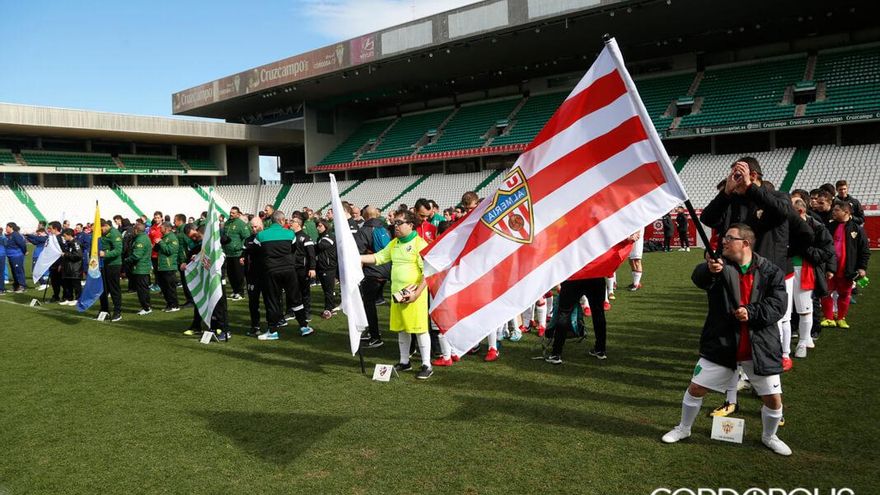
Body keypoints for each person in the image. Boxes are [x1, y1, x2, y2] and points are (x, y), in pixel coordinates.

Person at [661, 224, 791, 456]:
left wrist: (751, 312)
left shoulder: (770, 270)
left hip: (760, 346)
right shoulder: (719, 265)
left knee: (773, 399)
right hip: (722, 342)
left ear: (745, 243)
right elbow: (699, 277)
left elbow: (778, 306)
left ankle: (770, 436)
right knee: (696, 388)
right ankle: (684, 428)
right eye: (724, 238)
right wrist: (710, 270)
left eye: (730, 238)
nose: (724, 241)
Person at [361, 209, 433, 380]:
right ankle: (404, 361)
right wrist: (357, 257)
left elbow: (428, 273)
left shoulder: (420, 244)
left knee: (420, 329)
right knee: (402, 328)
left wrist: (416, 294)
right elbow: (379, 257)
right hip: (398, 294)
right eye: (395, 223)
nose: (396, 226)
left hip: (414, 296)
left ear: (410, 225)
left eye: (400, 223)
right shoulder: (394, 243)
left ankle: (426, 365)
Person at [255, 210, 312, 340]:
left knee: (273, 300)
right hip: (289, 270)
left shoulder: (261, 235)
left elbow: (258, 252)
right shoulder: (290, 234)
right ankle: (304, 327)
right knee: (296, 299)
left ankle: (272, 331)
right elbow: (293, 249)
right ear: (281, 220)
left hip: (271, 271)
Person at [790, 198, 835, 358]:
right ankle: (801, 340)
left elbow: (827, 252)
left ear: (800, 211)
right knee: (786, 311)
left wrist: (804, 250)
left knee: (804, 308)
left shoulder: (818, 227)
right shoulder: (785, 225)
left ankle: (803, 342)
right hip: (785, 271)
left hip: (805, 272)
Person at [820, 201, 870, 329]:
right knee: (826, 292)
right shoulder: (828, 227)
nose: (833, 212)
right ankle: (828, 318)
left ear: (846, 212)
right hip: (829, 268)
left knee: (844, 294)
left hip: (847, 269)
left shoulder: (857, 229)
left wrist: (862, 267)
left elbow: (864, 250)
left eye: (837, 210)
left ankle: (841, 318)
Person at [182, 224, 231, 341]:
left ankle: (225, 330)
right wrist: (194, 258)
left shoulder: (215, 243)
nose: (197, 238)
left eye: (199, 236)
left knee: (219, 304)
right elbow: (199, 253)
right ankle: (210, 327)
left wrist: (216, 236)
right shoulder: (203, 245)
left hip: (217, 278)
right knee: (205, 301)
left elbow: (227, 240)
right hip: (207, 277)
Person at [355, 206, 392, 348]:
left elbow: (358, 253)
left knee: (368, 304)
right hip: (386, 269)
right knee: (372, 303)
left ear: (364, 215)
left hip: (372, 270)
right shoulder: (385, 229)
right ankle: (373, 332)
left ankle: (375, 336)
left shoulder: (364, 230)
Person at [242, 217, 265, 336]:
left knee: (270, 300)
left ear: (261, 225)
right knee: (253, 301)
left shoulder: (266, 237)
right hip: (252, 275)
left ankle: (274, 325)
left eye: (256, 226)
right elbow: (244, 253)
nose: (254, 229)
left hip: (266, 274)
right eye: (252, 227)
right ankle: (255, 326)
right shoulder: (248, 240)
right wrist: (242, 258)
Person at [222, 206, 250, 300]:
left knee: (238, 274)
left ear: (238, 214)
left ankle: (241, 292)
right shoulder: (227, 223)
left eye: (233, 213)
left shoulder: (241, 224)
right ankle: (235, 291)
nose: (231, 214)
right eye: (230, 212)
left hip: (238, 253)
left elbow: (247, 237)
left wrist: (239, 247)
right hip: (228, 253)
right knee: (230, 274)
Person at [98, 220, 124, 321]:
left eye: (100, 228)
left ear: (105, 226)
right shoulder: (103, 234)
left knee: (114, 289)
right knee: (103, 289)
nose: (100, 231)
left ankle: (117, 311)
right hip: (103, 265)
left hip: (113, 265)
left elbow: (118, 250)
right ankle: (104, 310)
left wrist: (105, 254)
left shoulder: (114, 233)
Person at [125, 222, 153, 315]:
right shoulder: (144, 237)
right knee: (143, 288)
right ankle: (146, 306)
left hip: (141, 268)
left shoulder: (140, 239)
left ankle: (146, 307)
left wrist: (127, 260)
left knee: (142, 289)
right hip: (143, 267)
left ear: (136, 230)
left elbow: (137, 255)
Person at [315, 220, 339, 319]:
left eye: (320, 226)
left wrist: (312, 245)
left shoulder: (329, 236)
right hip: (323, 266)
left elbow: (321, 246)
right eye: (317, 226)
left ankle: (328, 309)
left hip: (328, 267)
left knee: (328, 289)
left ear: (325, 226)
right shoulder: (321, 237)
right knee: (327, 289)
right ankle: (331, 307)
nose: (318, 228)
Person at [155, 222, 180, 312]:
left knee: (170, 288)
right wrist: (157, 244)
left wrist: (161, 242)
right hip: (162, 266)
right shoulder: (163, 237)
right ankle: (169, 304)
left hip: (169, 267)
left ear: (167, 228)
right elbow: (157, 250)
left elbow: (169, 251)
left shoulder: (173, 238)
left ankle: (175, 305)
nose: (160, 229)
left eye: (161, 227)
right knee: (164, 287)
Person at [174, 214, 194, 307]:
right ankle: (189, 299)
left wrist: (187, 258)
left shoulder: (184, 231)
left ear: (180, 221)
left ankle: (191, 300)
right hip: (181, 259)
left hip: (185, 260)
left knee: (187, 281)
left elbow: (191, 244)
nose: (174, 222)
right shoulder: (179, 231)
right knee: (184, 281)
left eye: (175, 220)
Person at [59, 228, 83, 305]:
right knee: (67, 285)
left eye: (65, 236)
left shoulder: (75, 243)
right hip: (68, 268)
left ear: (69, 235)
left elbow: (78, 255)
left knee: (76, 285)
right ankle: (69, 298)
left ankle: (78, 299)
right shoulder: (68, 243)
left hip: (75, 268)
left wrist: (65, 254)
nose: (64, 237)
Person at [5, 223, 27, 293]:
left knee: (18, 271)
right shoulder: (9, 235)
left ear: (11, 227)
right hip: (10, 256)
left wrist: (24, 251)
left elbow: (22, 244)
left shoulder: (16, 235)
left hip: (16, 256)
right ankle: (16, 286)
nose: (6, 228)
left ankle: (22, 286)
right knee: (14, 271)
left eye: (7, 227)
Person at [148, 211, 163, 292]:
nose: (156, 219)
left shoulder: (164, 227)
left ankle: (161, 285)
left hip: (162, 252)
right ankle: (157, 284)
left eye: (158, 218)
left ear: (161, 218)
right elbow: (149, 239)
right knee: (156, 270)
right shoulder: (152, 228)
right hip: (153, 253)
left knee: (162, 270)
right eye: (155, 218)